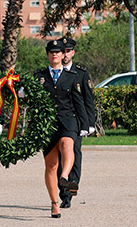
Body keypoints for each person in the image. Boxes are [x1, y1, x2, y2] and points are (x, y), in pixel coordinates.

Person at [34, 40, 89, 218]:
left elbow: (79, 102)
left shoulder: (72, 76)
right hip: (48, 124)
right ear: (48, 55)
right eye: (52, 52)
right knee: (51, 166)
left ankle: (65, 176)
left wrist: (85, 124)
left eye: (58, 52)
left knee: (67, 145)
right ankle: (54, 202)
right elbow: (31, 98)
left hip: (69, 121)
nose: (56, 55)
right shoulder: (39, 76)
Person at [57, 37, 95, 208]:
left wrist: (90, 123)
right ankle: (64, 192)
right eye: (62, 51)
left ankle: (72, 183)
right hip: (58, 121)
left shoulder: (81, 73)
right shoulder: (54, 72)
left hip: (76, 121)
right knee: (59, 155)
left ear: (73, 52)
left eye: (67, 51)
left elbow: (88, 100)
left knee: (75, 153)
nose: (65, 55)